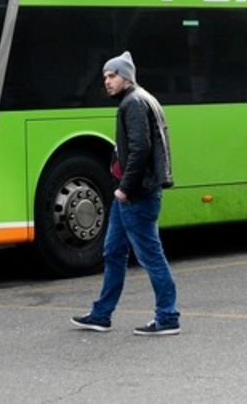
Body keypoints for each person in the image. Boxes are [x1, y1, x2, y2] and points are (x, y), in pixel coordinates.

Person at [71, 51, 180, 336]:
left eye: (112, 76)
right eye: (105, 76)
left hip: (136, 195)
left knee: (151, 256)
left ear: (126, 77)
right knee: (113, 251)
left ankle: (168, 317)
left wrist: (125, 188)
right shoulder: (139, 99)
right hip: (131, 196)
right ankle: (101, 314)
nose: (107, 81)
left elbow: (140, 149)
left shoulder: (133, 103)